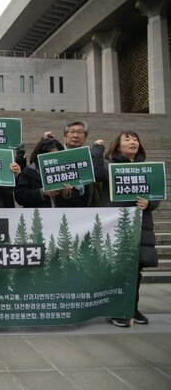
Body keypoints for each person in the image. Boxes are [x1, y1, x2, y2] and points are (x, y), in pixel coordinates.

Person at [91, 131, 159, 327]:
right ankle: (115, 310)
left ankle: (132, 308)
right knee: (118, 269)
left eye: (136, 139)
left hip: (141, 225)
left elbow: (156, 195)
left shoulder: (146, 168)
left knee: (135, 270)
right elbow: (96, 174)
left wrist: (149, 203)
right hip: (117, 225)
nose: (133, 142)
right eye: (127, 139)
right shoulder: (109, 166)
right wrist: (96, 149)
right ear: (118, 146)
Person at [43, 121, 100, 207]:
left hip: (86, 208)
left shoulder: (90, 157)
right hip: (59, 209)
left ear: (85, 137)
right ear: (65, 136)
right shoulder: (55, 156)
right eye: (72, 132)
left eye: (80, 132)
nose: (75, 135)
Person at [14, 138, 71, 208]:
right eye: (49, 156)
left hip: (61, 215)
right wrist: (42, 192)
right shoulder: (29, 171)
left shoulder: (65, 171)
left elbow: (78, 199)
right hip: (37, 215)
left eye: (57, 156)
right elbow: (20, 197)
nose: (53, 159)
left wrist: (66, 194)